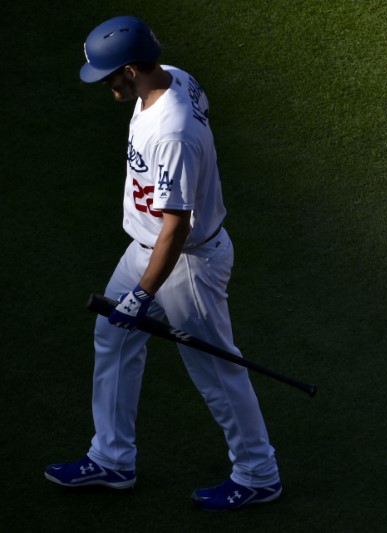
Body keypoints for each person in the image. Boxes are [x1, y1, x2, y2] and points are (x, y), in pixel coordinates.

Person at [44, 16, 281, 511]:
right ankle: (111, 460)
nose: (106, 83)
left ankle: (258, 473)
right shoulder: (171, 75)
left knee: (217, 371)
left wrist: (141, 294)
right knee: (113, 336)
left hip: (185, 264)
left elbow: (177, 228)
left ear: (131, 70)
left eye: (109, 75)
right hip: (149, 250)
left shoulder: (172, 132)